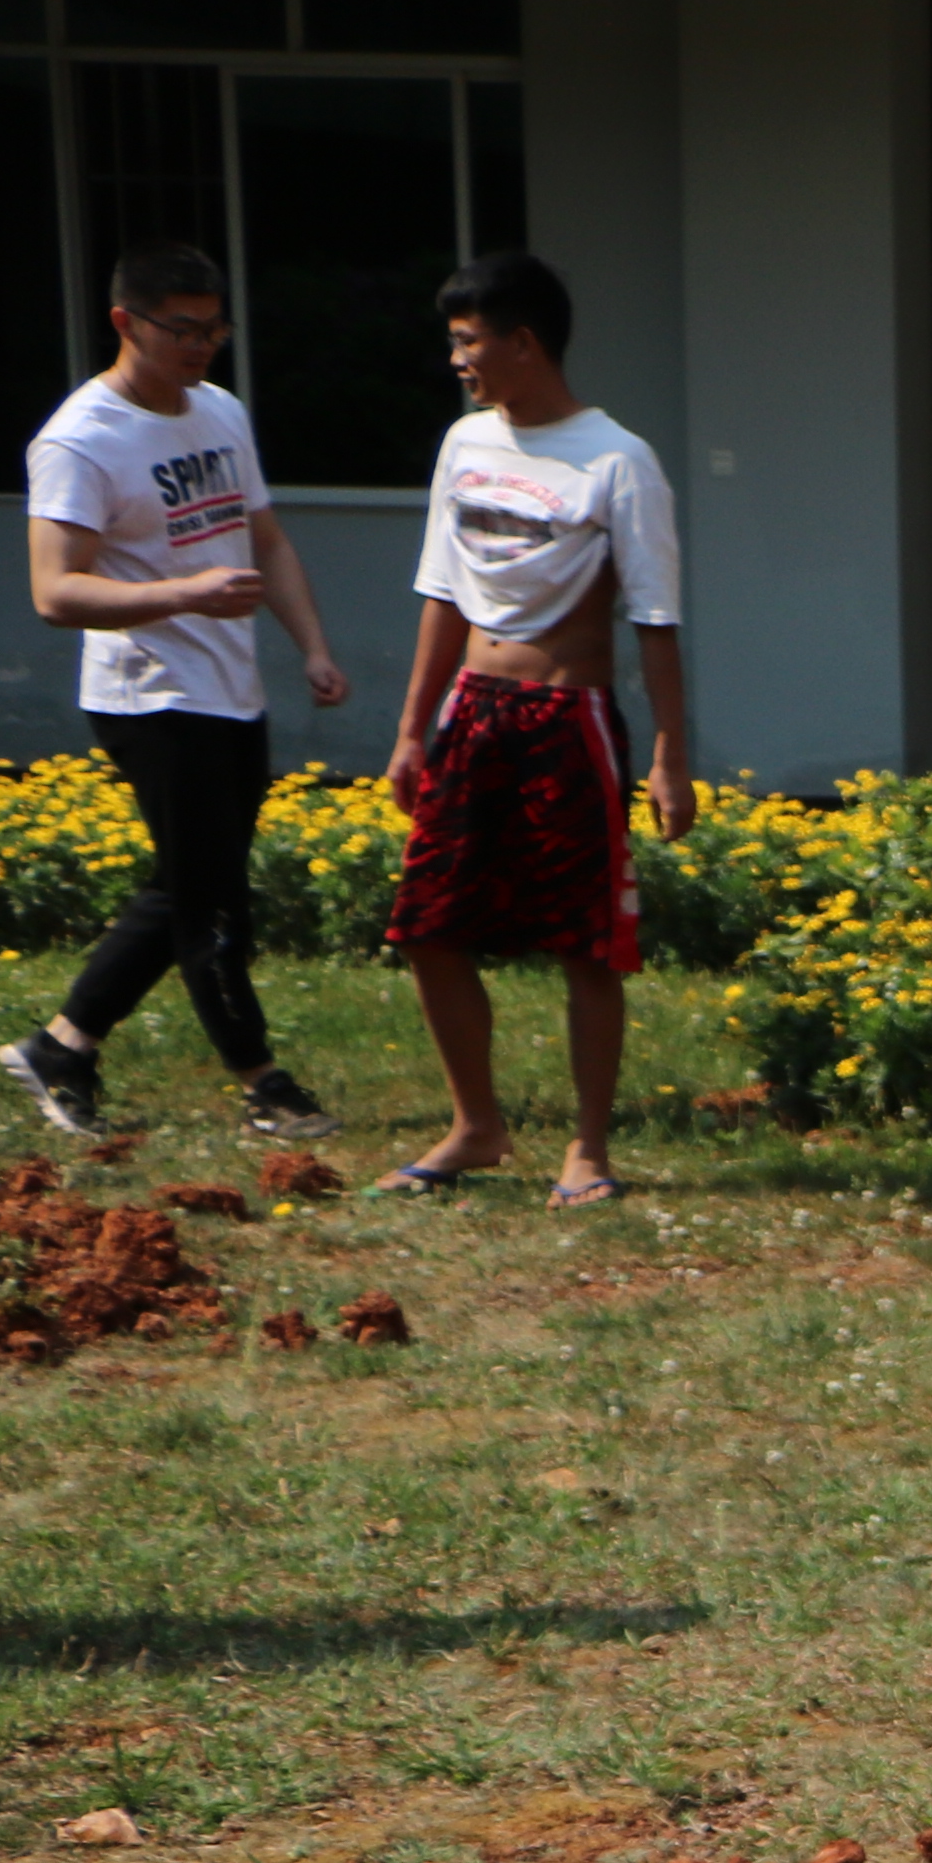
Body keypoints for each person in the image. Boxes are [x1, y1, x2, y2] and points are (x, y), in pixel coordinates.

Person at [0, 244, 350, 1146]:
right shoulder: (81, 439)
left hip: (230, 686)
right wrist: (181, 595)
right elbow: (54, 593)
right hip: (148, 695)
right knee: (215, 902)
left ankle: (61, 1045)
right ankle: (263, 1080)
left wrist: (309, 644)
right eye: (182, 329)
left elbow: (263, 539)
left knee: (189, 883)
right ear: (125, 322)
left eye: (214, 329)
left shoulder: (219, 413)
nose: (202, 347)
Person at [379, 252, 685, 1205]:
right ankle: (475, 1126)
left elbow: (657, 618)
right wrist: (413, 730)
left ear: (524, 342)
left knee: (586, 942)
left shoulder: (616, 459)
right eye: (454, 344)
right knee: (429, 924)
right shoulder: (465, 444)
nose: (460, 361)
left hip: (570, 718)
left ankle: (587, 1152)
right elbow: (442, 592)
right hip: (474, 711)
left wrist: (672, 753)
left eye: (471, 343)